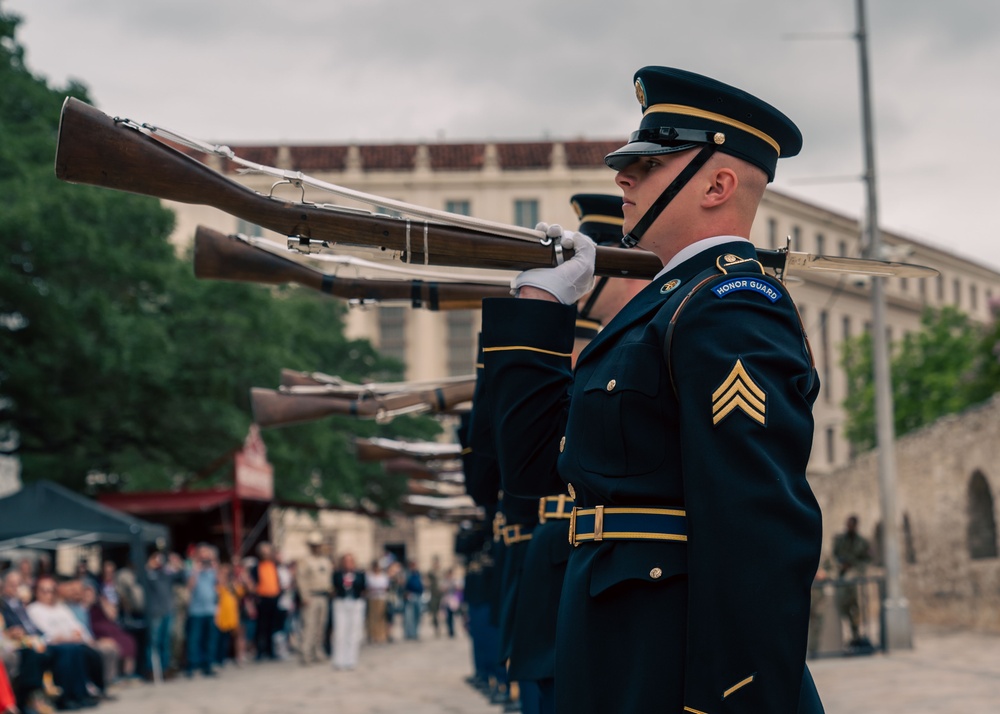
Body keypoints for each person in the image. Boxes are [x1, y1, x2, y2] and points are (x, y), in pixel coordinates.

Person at [481, 66, 824, 713]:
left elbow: (757, 533)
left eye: (650, 165)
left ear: (719, 185)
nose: (624, 179)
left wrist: (730, 699)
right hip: (610, 651)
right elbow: (530, 479)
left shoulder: (731, 305)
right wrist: (537, 312)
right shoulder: (665, 311)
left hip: (669, 670)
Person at [833, 515, 873, 645]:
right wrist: (841, 565)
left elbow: (867, 560)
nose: (848, 527)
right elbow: (835, 555)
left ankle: (856, 636)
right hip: (842, 578)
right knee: (841, 606)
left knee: (855, 609)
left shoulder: (862, 542)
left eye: (851, 524)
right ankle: (843, 637)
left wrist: (855, 567)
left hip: (855, 579)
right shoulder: (840, 540)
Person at [295, 532, 332, 664]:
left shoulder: (325, 561)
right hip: (311, 596)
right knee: (309, 626)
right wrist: (304, 596)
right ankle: (306, 653)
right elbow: (301, 579)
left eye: (318, 545)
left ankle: (318, 651)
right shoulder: (305, 561)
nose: (317, 548)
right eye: (314, 545)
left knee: (321, 626)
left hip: (323, 596)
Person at [185, 543, 219, 677]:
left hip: (210, 610)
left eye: (207, 554)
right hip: (196, 610)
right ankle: (192, 666)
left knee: (210, 639)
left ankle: (208, 665)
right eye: (203, 554)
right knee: (194, 639)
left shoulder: (213, 569)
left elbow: (220, 585)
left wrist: (216, 566)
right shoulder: (191, 568)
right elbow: (189, 587)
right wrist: (196, 570)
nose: (205, 557)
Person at [330, 553, 366, 670]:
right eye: (346, 561)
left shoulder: (360, 574)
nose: (348, 564)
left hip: (355, 603)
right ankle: (339, 660)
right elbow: (334, 587)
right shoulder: (337, 574)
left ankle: (351, 660)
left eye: (350, 561)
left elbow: (363, 588)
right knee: (340, 632)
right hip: (341, 603)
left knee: (354, 632)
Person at [248, 542, 281, 661]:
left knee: (272, 626)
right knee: (261, 626)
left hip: (274, 598)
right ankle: (260, 651)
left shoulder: (274, 565)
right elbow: (252, 583)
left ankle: (270, 651)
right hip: (262, 599)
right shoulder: (256, 567)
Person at [364, 560, 390, 645]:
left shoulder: (383, 576)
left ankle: (381, 635)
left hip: (381, 598)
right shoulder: (369, 576)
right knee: (372, 617)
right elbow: (367, 586)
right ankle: (372, 635)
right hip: (372, 598)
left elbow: (386, 587)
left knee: (381, 617)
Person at [401, 561, 423, 641]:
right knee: (409, 617)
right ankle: (409, 633)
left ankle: (415, 633)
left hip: (418, 596)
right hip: (410, 596)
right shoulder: (407, 574)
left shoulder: (418, 574)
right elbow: (403, 585)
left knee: (417, 616)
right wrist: (405, 593)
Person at [425, 556, 443, 638]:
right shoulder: (431, 572)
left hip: (441, 595)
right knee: (435, 613)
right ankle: (436, 628)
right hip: (434, 595)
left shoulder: (441, 572)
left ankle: (441, 628)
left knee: (442, 613)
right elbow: (427, 582)